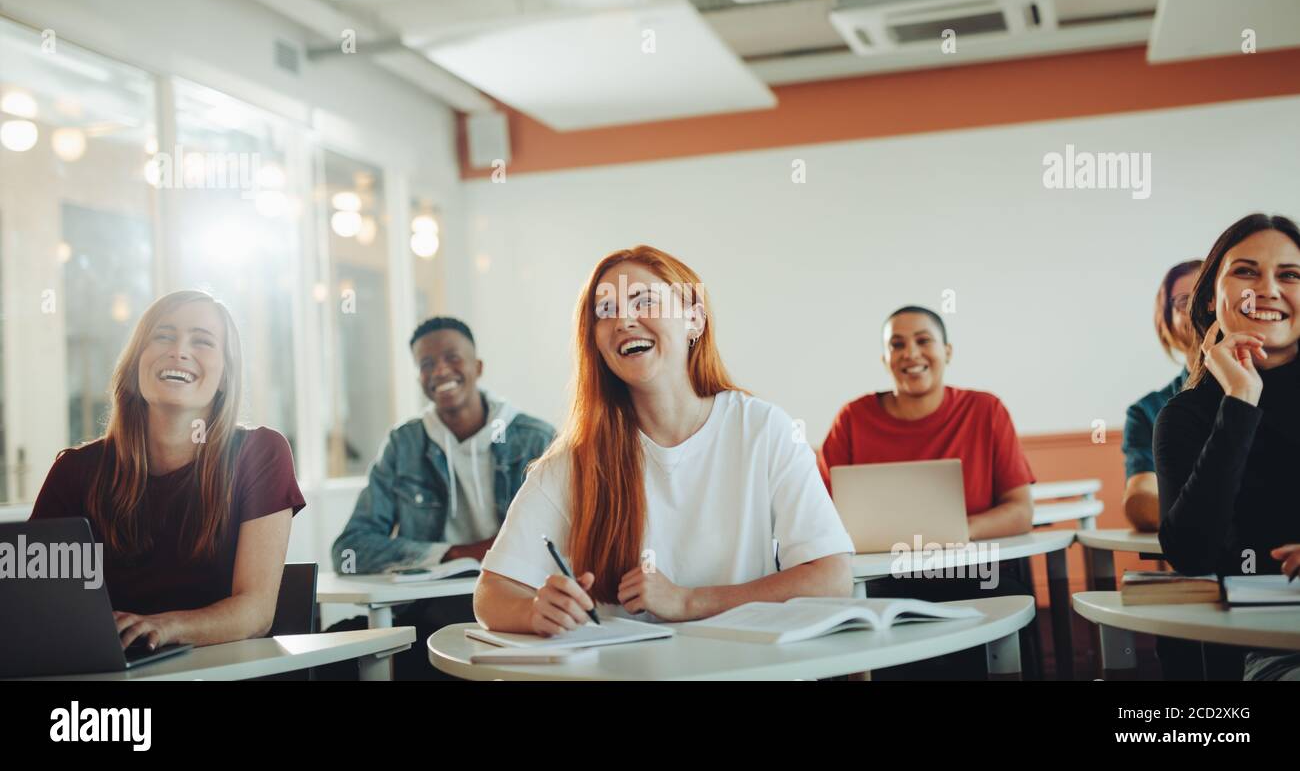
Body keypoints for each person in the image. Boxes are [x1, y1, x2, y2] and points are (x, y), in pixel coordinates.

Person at [473, 245, 854, 636]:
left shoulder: (763, 429)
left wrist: (690, 601)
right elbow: (490, 593)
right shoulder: (575, 462)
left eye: (645, 301)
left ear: (694, 319)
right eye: (605, 311)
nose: (623, 320)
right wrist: (533, 611)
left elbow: (831, 578)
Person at [31, 290, 303, 649]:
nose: (179, 351)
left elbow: (255, 612)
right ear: (136, 364)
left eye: (202, 341)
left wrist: (163, 628)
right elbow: (32, 603)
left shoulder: (261, 453)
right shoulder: (74, 471)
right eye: (163, 336)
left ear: (224, 376)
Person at [328, 316, 554, 678]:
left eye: (452, 358)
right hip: (424, 607)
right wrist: (455, 553)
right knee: (332, 651)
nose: (440, 371)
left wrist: (500, 554)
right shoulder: (404, 444)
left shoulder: (536, 439)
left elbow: (568, 541)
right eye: (426, 364)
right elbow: (349, 549)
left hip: (514, 607)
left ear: (477, 367)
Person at [1155, 213, 1300, 682]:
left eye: (1290, 275)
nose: (1268, 290)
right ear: (1211, 296)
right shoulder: (1185, 416)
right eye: (1245, 271)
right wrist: (1240, 399)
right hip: (1274, 640)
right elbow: (1193, 554)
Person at [819, 306, 1034, 541]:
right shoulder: (852, 418)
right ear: (885, 360)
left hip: (976, 567)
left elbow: (1021, 512)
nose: (910, 353)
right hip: (879, 573)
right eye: (897, 345)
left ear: (948, 352)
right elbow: (820, 510)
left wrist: (957, 532)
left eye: (923, 340)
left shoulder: (987, 410)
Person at [1122, 260, 1202, 532]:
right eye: (1184, 301)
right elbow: (1140, 498)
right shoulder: (1147, 411)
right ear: (1166, 320)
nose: (1200, 308)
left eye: (1209, 296)